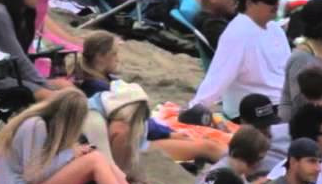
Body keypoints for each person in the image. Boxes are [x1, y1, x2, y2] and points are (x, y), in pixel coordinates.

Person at [0, 89, 157, 184]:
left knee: (96, 155)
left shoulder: (41, 124)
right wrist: (70, 156)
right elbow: (34, 175)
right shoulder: (35, 125)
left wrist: (71, 154)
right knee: (94, 159)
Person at [68, 33, 225, 165]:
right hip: (135, 145)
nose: (118, 58)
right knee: (207, 147)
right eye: (114, 54)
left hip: (134, 138)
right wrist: (168, 134)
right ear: (101, 57)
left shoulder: (101, 81)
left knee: (201, 144)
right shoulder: (98, 88)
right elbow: (135, 117)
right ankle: (244, 173)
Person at [189, 0, 289, 119]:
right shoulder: (237, 33)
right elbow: (219, 76)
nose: (276, 5)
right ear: (249, 4)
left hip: (281, 102)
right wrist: (196, 107)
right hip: (253, 110)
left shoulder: (275, 29)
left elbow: (286, 70)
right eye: (270, 1)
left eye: (277, 0)